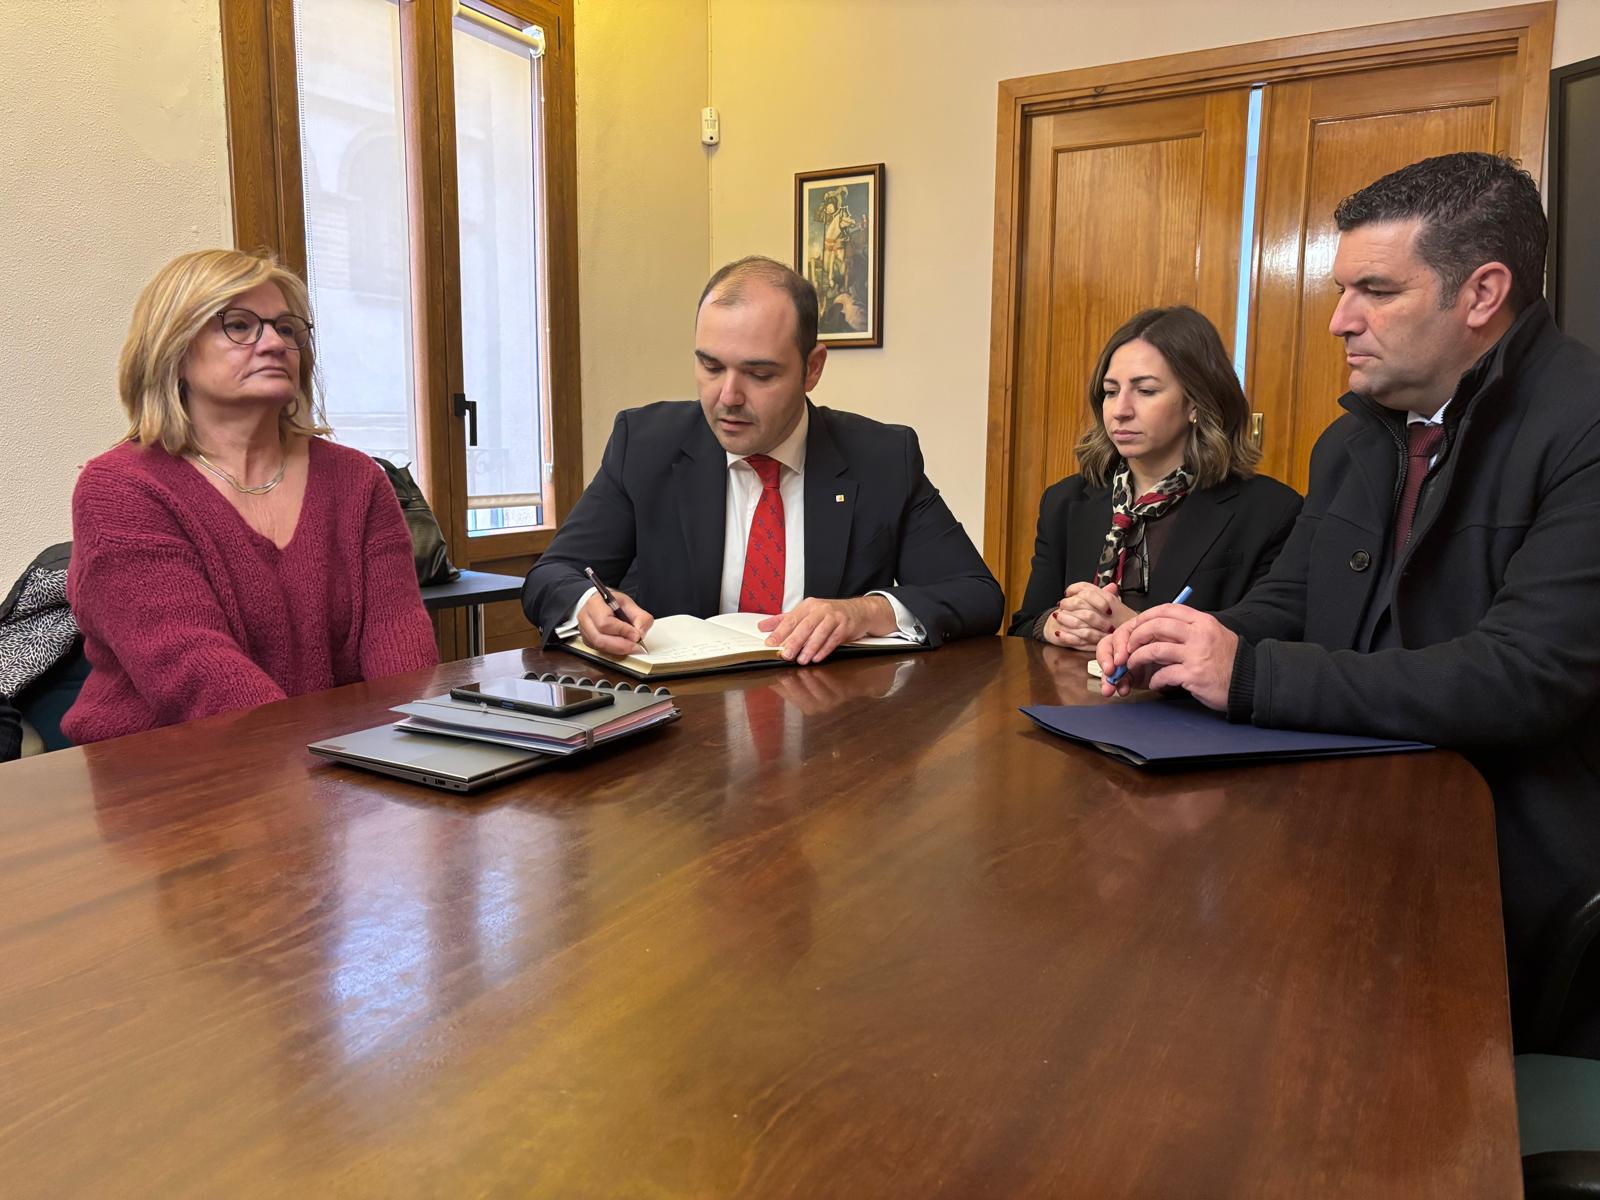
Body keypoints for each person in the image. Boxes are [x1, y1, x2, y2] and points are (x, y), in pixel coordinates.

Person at [1096, 152, 1600, 1044]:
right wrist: (1182, 641)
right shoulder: (1352, 442)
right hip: (1339, 845)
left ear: (1482, 293)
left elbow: (1524, 675)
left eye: (1375, 290)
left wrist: (1248, 674)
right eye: (1342, 289)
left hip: (1505, 885)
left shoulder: (1583, 427)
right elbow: (1290, 598)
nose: (1339, 321)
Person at [523, 255, 1003, 664]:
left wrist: (864, 612)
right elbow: (552, 575)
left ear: (812, 369)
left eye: (759, 374)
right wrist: (587, 603)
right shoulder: (646, 444)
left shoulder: (880, 458)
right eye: (710, 366)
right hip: (679, 729)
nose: (727, 396)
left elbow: (977, 595)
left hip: (837, 734)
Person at [63, 249, 438, 744]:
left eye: (287, 329)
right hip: (166, 777)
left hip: (340, 769)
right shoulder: (120, 487)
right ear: (172, 350)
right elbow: (194, 668)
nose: (273, 343)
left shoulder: (357, 478)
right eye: (239, 325)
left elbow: (399, 645)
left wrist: (426, 757)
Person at [1007, 306, 1300, 646]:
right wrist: (1057, 625)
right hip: (1066, 695)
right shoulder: (1065, 501)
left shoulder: (1270, 510)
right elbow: (1025, 625)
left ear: (1196, 403)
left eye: (1145, 391)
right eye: (1111, 391)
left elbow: (1269, 642)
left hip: (1181, 698)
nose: (1120, 410)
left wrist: (1138, 631)